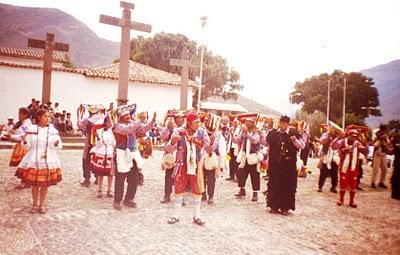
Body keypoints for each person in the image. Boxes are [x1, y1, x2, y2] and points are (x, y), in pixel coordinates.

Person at [165, 111, 211, 226]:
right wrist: (172, 142)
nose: (197, 125)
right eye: (195, 123)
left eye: (199, 123)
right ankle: (176, 215)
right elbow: (169, 148)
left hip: (196, 165)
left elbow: (208, 147)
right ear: (189, 123)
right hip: (181, 164)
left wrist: (207, 141)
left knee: (197, 190)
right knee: (179, 189)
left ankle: (197, 216)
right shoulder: (179, 131)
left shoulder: (202, 132)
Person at [16, 109, 62, 214]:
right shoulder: (32, 129)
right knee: (35, 184)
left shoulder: (53, 130)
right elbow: (27, 146)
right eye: (45, 116)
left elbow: (59, 146)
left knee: (45, 185)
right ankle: (34, 204)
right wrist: (25, 141)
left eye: (49, 116)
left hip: (48, 159)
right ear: (39, 118)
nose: (48, 119)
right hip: (34, 158)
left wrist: (56, 144)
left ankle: (42, 205)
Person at [112, 104, 156, 210]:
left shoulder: (133, 124)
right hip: (122, 153)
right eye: (126, 115)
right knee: (120, 178)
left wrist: (152, 121)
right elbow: (127, 130)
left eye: (129, 114)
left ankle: (129, 198)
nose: (128, 116)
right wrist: (138, 121)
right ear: (120, 117)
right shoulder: (118, 126)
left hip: (133, 153)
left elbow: (144, 129)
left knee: (134, 178)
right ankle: (117, 200)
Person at [264, 115, 305, 215]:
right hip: (275, 164)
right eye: (280, 123)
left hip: (288, 165)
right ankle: (273, 206)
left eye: (283, 124)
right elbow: (265, 144)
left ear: (287, 124)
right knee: (274, 184)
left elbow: (302, 146)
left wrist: (295, 141)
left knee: (287, 186)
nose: (281, 125)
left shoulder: (293, 133)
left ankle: (285, 207)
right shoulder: (273, 133)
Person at [332, 129, 367, 208]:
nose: (354, 138)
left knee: (353, 184)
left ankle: (352, 201)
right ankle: (341, 199)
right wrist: (352, 146)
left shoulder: (357, 142)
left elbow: (366, 151)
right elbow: (342, 151)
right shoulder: (343, 141)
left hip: (354, 166)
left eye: (355, 137)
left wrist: (363, 141)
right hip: (344, 166)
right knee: (343, 183)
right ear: (349, 135)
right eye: (352, 136)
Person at [234, 115, 262, 202]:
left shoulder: (257, 131)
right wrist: (235, 134)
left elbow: (255, 141)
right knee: (241, 173)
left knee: (255, 175)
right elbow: (237, 141)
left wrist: (247, 134)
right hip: (244, 155)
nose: (246, 123)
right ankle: (242, 189)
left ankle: (255, 193)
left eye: (249, 121)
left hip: (253, 155)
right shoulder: (243, 130)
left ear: (253, 123)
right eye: (246, 121)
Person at [159, 110, 185, 204]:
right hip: (171, 154)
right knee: (169, 176)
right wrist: (167, 128)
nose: (180, 120)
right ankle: (167, 195)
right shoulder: (170, 128)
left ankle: (180, 196)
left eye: (181, 118)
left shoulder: (186, 128)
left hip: (182, 155)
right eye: (178, 118)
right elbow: (162, 137)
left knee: (181, 177)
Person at [77, 105, 105, 187]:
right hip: (100, 142)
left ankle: (87, 179)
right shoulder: (102, 119)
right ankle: (97, 178)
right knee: (97, 159)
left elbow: (80, 125)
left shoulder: (87, 120)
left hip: (90, 141)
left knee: (86, 160)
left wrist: (79, 115)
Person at [90, 117, 116, 198]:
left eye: (110, 122)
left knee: (110, 174)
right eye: (108, 122)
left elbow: (114, 143)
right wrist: (98, 139)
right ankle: (99, 189)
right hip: (101, 153)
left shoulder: (113, 132)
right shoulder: (99, 131)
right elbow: (98, 145)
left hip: (110, 153)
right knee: (100, 173)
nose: (109, 123)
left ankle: (109, 190)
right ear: (105, 122)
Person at [8, 108, 33, 189]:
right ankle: (26, 181)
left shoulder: (26, 124)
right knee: (25, 164)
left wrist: (10, 136)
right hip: (24, 144)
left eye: (20, 114)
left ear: (25, 114)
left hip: (24, 145)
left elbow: (22, 136)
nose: (19, 116)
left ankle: (24, 182)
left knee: (23, 164)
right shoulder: (26, 123)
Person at [317, 129, 339, 193]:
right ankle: (320, 186)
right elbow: (322, 142)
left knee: (334, 173)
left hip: (334, 155)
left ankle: (334, 187)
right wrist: (329, 135)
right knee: (323, 172)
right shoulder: (325, 135)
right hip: (326, 155)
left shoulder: (337, 136)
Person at [391, 132, 400, 200]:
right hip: (398, 162)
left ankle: (395, 193)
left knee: (396, 177)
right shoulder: (397, 142)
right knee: (396, 177)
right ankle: (395, 193)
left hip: (397, 162)